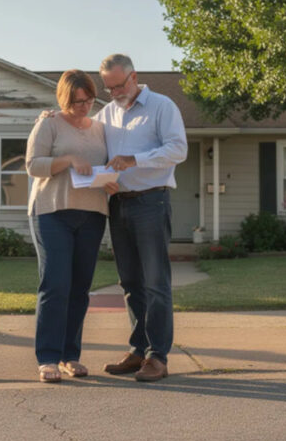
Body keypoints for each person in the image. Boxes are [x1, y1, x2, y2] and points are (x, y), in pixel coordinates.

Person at [96, 54, 188, 382]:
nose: (114, 92)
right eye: (108, 88)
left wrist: (136, 159)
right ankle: (138, 350)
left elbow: (178, 149)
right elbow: (86, 143)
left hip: (151, 202)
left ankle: (157, 357)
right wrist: (54, 118)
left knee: (155, 282)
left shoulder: (162, 107)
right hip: (118, 205)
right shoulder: (106, 114)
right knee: (131, 283)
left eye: (118, 85)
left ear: (134, 76)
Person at [25, 69, 109, 383]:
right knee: (56, 285)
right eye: (76, 102)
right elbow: (33, 166)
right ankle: (47, 357)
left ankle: (70, 356)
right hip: (52, 213)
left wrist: (111, 181)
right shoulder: (48, 123)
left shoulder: (101, 128)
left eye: (88, 100)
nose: (83, 106)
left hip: (92, 213)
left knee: (79, 290)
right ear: (64, 99)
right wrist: (68, 159)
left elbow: (106, 163)